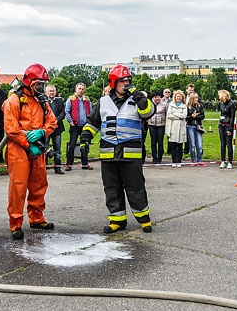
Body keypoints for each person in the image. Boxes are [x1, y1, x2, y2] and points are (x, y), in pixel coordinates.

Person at [80, 64, 154, 233]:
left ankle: (144, 219)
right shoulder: (103, 102)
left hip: (131, 154)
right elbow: (92, 123)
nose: (126, 83)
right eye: (122, 81)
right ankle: (117, 220)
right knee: (112, 189)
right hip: (109, 154)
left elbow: (148, 113)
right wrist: (85, 140)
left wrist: (140, 97)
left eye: (128, 80)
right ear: (113, 83)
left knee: (135, 188)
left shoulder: (137, 100)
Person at [2, 63, 58, 240]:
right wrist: (27, 143)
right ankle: (16, 223)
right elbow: (11, 129)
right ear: (29, 82)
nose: (41, 88)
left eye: (43, 84)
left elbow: (52, 122)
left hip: (38, 148)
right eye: (38, 84)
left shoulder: (42, 101)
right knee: (18, 187)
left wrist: (42, 132)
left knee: (39, 184)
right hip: (18, 149)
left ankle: (37, 217)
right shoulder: (14, 100)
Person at [64, 82, 92, 171]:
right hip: (75, 125)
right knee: (72, 145)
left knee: (84, 145)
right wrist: (70, 121)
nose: (81, 90)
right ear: (76, 89)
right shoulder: (71, 99)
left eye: (82, 89)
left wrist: (89, 122)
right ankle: (69, 164)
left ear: (84, 90)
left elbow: (91, 112)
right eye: (79, 88)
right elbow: (67, 111)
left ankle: (85, 164)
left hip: (84, 126)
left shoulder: (87, 100)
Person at [46, 84, 66, 174]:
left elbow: (63, 113)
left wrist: (56, 121)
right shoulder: (43, 102)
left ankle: (57, 168)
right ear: (46, 92)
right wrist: (50, 122)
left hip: (57, 128)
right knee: (45, 148)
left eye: (53, 91)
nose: (51, 93)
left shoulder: (59, 101)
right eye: (50, 91)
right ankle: (44, 167)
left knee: (57, 149)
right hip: (46, 128)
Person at [165, 90, 188, 166]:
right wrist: (178, 116)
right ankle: (174, 161)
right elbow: (169, 115)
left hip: (181, 127)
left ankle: (179, 162)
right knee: (173, 145)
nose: (178, 98)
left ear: (182, 98)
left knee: (180, 145)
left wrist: (174, 114)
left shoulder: (184, 106)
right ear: (175, 97)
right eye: (177, 96)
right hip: (173, 127)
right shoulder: (171, 105)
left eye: (180, 96)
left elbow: (184, 116)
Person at [216, 89, 236, 169]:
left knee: (229, 144)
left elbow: (232, 117)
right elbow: (221, 114)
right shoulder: (222, 104)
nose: (219, 98)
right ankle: (223, 160)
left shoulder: (231, 104)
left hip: (228, 125)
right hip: (221, 125)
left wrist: (230, 129)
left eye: (220, 96)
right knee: (222, 144)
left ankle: (230, 161)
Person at [146, 90, 166, 164]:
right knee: (153, 142)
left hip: (161, 125)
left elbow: (166, 113)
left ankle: (159, 158)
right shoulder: (150, 104)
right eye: (155, 97)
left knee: (160, 142)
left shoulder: (164, 104)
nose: (157, 98)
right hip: (151, 124)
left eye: (158, 97)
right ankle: (154, 157)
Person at [186, 92, 205, 164]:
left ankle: (199, 160)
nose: (197, 99)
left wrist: (196, 116)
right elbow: (186, 118)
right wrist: (191, 116)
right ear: (192, 99)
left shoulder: (200, 106)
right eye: (195, 98)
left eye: (197, 98)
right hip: (190, 126)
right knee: (192, 144)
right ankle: (193, 160)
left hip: (198, 126)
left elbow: (203, 116)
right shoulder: (188, 107)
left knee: (199, 145)